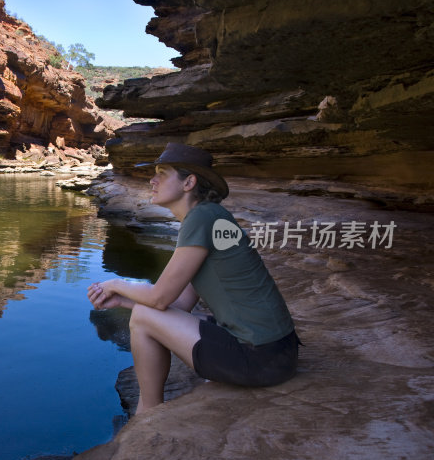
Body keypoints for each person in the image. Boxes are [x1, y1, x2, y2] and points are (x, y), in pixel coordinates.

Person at [87, 142, 299, 415]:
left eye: (162, 173)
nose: (152, 180)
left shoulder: (202, 218)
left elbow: (159, 298)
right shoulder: (210, 217)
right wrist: (124, 301)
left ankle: (149, 413)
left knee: (142, 318)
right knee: (145, 313)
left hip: (261, 360)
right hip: (279, 353)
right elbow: (179, 305)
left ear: (189, 182)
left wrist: (115, 283)